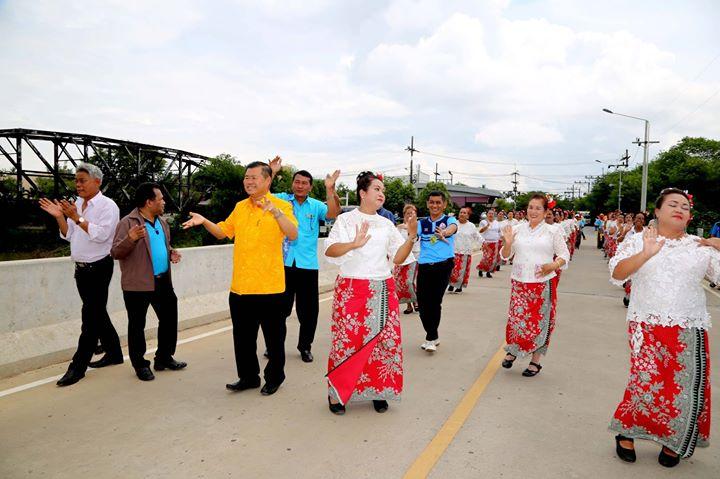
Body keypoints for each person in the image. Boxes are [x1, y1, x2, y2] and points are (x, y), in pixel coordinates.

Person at [608, 188, 720, 468]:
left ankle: (674, 439)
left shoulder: (700, 246)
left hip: (688, 327)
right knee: (645, 381)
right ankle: (627, 430)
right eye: (672, 204)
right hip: (646, 324)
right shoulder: (639, 240)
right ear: (657, 211)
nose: (679, 209)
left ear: (690, 216)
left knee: (682, 387)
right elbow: (617, 273)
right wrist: (645, 254)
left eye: (684, 206)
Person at [182, 161, 298, 396]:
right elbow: (223, 232)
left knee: (274, 339)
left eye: (254, 177)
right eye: (246, 177)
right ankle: (248, 377)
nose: (249, 181)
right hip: (241, 287)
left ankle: (275, 377)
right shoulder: (240, 207)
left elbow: (293, 234)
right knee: (243, 338)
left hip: (270, 287)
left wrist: (275, 213)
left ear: (267, 180)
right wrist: (204, 221)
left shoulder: (282, 206)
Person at [324, 172, 416, 414]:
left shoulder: (386, 224)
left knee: (384, 342)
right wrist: (353, 244)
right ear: (362, 193)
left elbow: (398, 258)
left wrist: (411, 237)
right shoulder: (345, 220)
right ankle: (337, 394)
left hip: (382, 289)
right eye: (376, 188)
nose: (381, 193)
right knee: (347, 341)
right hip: (352, 288)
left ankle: (378, 390)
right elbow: (330, 250)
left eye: (382, 190)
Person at [39, 163, 123, 387]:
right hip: (81, 269)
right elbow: (68, 234)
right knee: (97, 313)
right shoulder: (76, 204)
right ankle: (114, 352)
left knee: (90, 319)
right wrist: (60, 216)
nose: (78, 184)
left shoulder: (108, 206)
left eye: (82, 180)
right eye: (76, 181)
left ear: (97, 181)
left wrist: (76, 217)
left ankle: (77, 367)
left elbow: (102, 235)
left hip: (99, 267)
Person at [269, 157, 341, 363]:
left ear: (310, 187)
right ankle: (274, 347)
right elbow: (263, 195)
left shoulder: (316, 206)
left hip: (307, 266)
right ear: (292, 184)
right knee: (278, 310)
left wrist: (330, 189)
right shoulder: (282, 200)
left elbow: (333, 213)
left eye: (304, 183)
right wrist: (271, 172)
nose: (300, 186)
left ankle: (305, 347)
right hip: (282, 264)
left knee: (308, 312)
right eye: (297, 182)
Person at [111, 183, 186, 381]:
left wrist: (170, 252)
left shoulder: (162, 222)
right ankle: (140, 365)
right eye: (160, 198)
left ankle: (164, 358)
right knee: (137, 325)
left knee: (169, 319)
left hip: (162, 281)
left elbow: (161, 245)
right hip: (138, 284)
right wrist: (130, 239)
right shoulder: (128, 223)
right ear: (149, 202)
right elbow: (115, 252)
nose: (164, 202)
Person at [499, 193, 569, 377]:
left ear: (546, 212)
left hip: (542, 284)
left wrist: (553, 265)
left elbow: (564, 254)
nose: (533, 211)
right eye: (531, 207)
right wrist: (508, 243)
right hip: (520, 282)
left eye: (538, 208)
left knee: (540, 323)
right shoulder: (516, 229)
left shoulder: (553, 231)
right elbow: (505, 256)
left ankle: (535, 361)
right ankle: (513, 350)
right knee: (517, 320)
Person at [416, 191, 458, 352]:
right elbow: (412, 234)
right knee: (422, 303)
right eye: (432, 202)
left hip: (443, 266)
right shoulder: (422, 223)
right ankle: (433, 335)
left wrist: (445, 233)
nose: (435, 205)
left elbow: (453, 228)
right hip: (424, 266)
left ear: (444, 204)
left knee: (434, 302)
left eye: (438, 202)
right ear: (428, 204)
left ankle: (430, 337)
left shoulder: (449, 220)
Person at [448, 206, 483, 294]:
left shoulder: (471, 226)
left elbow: (477, 236)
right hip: (453, 251)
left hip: (465, 251)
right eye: (461, 212)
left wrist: (483, 243)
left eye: (464, 213)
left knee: (461, 270)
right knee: (452, 269)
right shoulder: (453, 224)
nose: (462, 214)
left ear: (468, 216)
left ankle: (459, 286)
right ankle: (451, 284)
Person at [394, 204, 421, 314]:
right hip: (402, 258)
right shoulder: (399, 228)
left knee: (409, 281)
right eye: (408, 213)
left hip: (414, 256)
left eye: (412, 213)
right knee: (401, 283)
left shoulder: (418, 226)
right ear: (404, 215)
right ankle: (409, 305)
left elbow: (417, 239)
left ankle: (416, 301)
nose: (410, 215)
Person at [477, 209, 501, 278]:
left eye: (492, 214)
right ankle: (481, 269)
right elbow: (480, 231)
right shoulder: (483, 222)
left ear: (494, 215)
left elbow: (499, 232)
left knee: (492, 258)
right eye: (489, 213)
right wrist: (486, 227)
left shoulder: (496, 222)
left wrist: (503, 240)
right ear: (487, 214)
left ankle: (488, 272)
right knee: (486, 257)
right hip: (486, 242)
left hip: (495, 242)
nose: (491, 215)